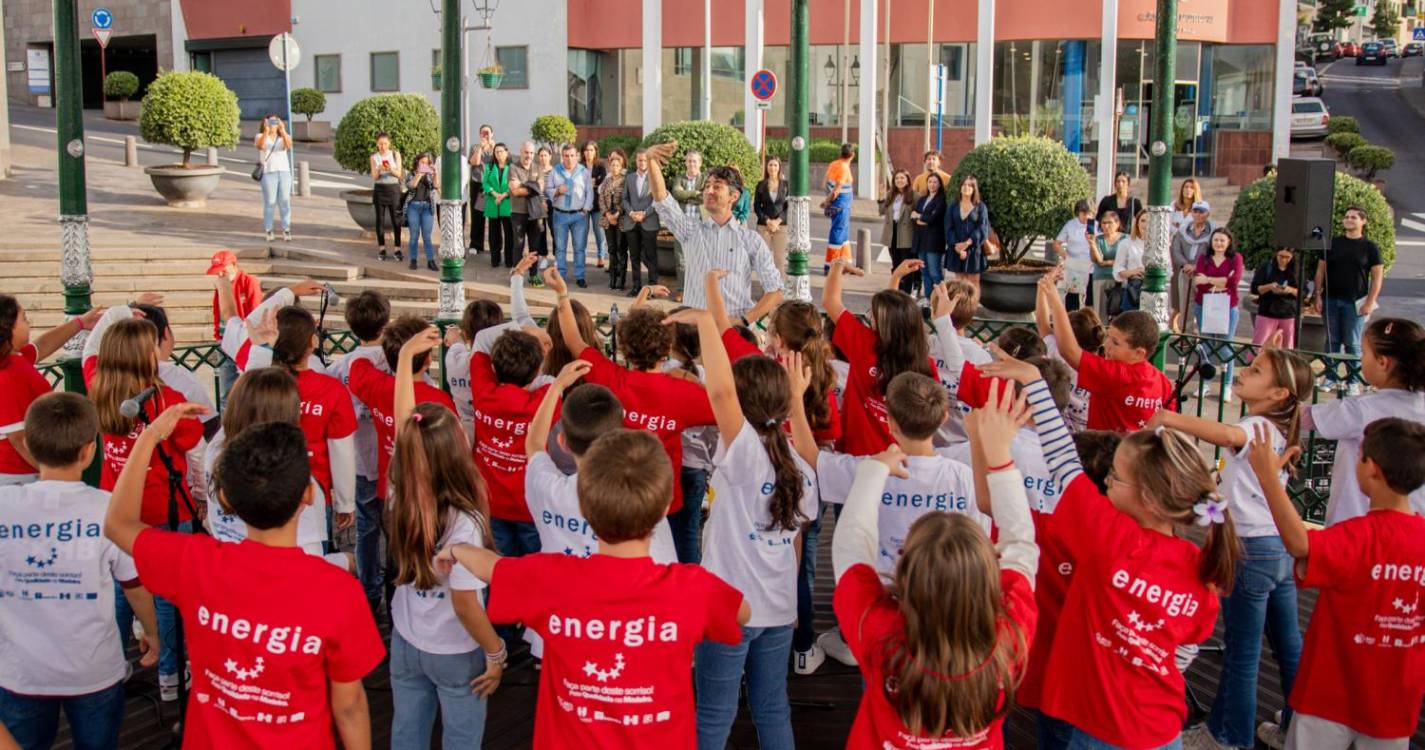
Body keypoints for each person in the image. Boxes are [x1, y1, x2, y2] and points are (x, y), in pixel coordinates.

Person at [982, 355, 1237, 750]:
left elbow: (1065, 463)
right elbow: (1187, 645)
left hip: (1097, 725)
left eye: (1115, 478)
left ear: (1149, 499)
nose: (1109, 484)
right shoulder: (1201, 564)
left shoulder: (1112, 541)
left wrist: (1035, 384)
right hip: (1161, 728)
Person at [439, 429, 751, 748]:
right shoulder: (690, 589)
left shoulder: (550, 579)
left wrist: (456, 550)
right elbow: (742, 612)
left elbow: (490, 566)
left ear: (585, 509)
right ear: (664, 507)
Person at [104, 411, 384, 747]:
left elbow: (117, 524)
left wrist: (149, 436)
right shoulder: (339, 591)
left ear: (225, 499)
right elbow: (350, 706)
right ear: (309, 496)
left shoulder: (195, 562)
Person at [830, 382, 1038, 748]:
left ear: (905, 570)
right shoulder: (1009, 638)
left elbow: (850, 546)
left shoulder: (878, 633)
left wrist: (874, 470)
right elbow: (1021, 542)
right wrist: (1000, 456)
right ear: (987, 574)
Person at [1149, 348, 1313, 750]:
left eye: (1255, 370)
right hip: (1277, 547)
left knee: (1243, 652)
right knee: (1289, 644)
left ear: (1277, 394)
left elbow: (1227, 435)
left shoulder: (1255, 427)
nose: (1242, 371)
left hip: (1250, 549)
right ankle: (1298, 726)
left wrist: (1169, 418)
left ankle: (1229, 734)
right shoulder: (1279, 428)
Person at [670, 309, 815, 750]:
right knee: (772, 708)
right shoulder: (801, 469)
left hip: (727, 609)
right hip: (778, 608)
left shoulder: (746, 453)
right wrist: (798, 399)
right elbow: (797, 540)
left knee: (714, 714)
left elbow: (718, 390)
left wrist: (706, 323)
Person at [1245, 417, 1425, 750]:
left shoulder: (1357, 536)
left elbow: (1301, 546)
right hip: (1397, 696)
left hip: (1328, 693)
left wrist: (1269, 479)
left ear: (1372, 469)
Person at [0, 393, 160, 750]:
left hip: (19, 671)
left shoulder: (4, 505)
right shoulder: (107, 509)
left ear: (27, 443)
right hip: (94, 671)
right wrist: (152, 631)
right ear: (90, 450)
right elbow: (134, 586)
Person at [386, 326, 504, 749]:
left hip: (405, 636)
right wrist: (495, 651)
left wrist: (403, 363)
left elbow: (406, 433)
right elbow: (465, 602)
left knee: (406, 733)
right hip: (455, 648)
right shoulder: (464, 520)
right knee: (461, 737)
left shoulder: (399, 489)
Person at [83, 305, 202, 701]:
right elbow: (189, 439)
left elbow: (90, 352)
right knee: (168, 592)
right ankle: (170, 671)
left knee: (121, 587)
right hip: (165, 510)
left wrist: (115, 312)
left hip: (117, 510)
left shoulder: (97, 385)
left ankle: (112, 667)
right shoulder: (169, 399)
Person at [548, 268, 716, 523]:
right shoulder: (685, 393)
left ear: (625, 347)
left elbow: (573, 340)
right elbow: (728, 403)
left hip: (618, 497)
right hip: (663, 500)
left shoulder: (612, 379)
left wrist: (562, 294)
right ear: (667, 347)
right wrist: (709, 326)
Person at [1301, 318, 1425, 526]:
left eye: (1364, 353)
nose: (1361, 359)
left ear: (1382, 362)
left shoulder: (1361, 409)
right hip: (1414, 529)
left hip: (1356, 525)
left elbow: (1302, 417)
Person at [643, 140, 786, 320]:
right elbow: (662, 199)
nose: (709, 191)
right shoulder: (690, 230)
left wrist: (743, 322)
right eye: (707, 186)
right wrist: (651, 161)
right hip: (694, 332)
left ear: (734, 196)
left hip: (733, 333)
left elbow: (776, 290)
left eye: (717, 186)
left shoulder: (751, 240)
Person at [822, 259, 938, 455]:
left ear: (882, 325)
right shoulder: (925, 365)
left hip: (856, 455)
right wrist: (895, 278)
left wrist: (837, 268)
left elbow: (830, 301)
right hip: (902, 459)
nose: (871, 318)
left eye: (873, 316)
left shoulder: (863, 343)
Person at [1040, 267, 1174, 431]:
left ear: (1139, 353)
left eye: (1116, 343)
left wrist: (1054, 299)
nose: (1106, 345)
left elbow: (1069, 351)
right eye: (1108, 337)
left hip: (1106, 451)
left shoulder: (1116, 374)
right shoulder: (1163, 382)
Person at [325, 289, 391, 614]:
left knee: (366, 529)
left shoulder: (341, 367)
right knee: (395, 529)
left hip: (359, 461)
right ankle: (395, 588)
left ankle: (369, 590)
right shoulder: (396, 360)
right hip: (391, 460)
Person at [346, 316, 459, 504]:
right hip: (428, 492)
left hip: (390, 488)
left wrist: (396, 352)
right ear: (428, 359)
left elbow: (359, 362)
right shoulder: (440, 401)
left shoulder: (376, 385)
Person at [0, 295, 101, 485]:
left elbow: (42, 346)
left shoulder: (15, 359)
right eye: (23, 318)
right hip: (19, 477)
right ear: (7, 329)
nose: (28, 323)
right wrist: (54, 475)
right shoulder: (8, 374)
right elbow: (18, 438)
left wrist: (80, 323)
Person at [1311, 206, 1384, 394]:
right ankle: (1330, 377)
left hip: (1355, 302)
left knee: (1353, 343)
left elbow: (1377, 277)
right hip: (1330, 300)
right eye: (1346, 217)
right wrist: (1317, 295)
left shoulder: (1370, 247)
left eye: (1353, 217)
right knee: (1332, 341)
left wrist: (1370, 301)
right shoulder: (1333, 243)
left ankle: (1353, 381)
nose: (1349, 220)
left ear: (1363, 222)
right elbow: (1320, 270)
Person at [1193, 227, 1247, 398]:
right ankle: (1205, 383)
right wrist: (1222, 280)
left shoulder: (1235, 259)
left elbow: (1234, 281)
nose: (1218, 243)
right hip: (1204, 304)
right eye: (1216, 240)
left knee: (1225, 346)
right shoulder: (1204, 258)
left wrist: (1209, 279)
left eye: (1222, 240)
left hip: (1228, 306)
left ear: (1229, 242)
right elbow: (1199, 283)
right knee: (1207, 345)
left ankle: (1226, 385)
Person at [206, 249, 262, 404]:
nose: (220, 274)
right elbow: (217, 310)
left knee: (248, 389)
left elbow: (255, 311)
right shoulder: (222, 284)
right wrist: (218, 335)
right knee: (226, 393)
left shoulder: (249, 282)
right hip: (225, 341)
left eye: (223, 269)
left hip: (243, 339)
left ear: (233, 265)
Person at [545, 144, 595, 289]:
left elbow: (589, 192)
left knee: (580, 248)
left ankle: (580, 276)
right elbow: (548, 189)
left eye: (572, 155)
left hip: (579, 215)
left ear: (577, 156)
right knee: (560, 248)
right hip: (560, 215)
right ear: (562, 156)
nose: (569, 159)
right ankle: (561, 277)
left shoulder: (583, 172)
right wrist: (557, 191)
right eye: (566, 156)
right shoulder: (556, 171)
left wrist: (586, 209)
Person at [620, 148, 661, 294]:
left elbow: (658, 199)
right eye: (639, 160)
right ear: (636, 161)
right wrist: (631, 213)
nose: (642, 162)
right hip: (632, 222)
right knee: (635, 256)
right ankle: (636, 286)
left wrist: (644, 213)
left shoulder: (655, 177)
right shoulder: (629, 178)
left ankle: (652, 287)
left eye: (644, 160)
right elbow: (624, 198)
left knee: (651, 256)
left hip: (648, 221)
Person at [1171, 200, 1216, 332]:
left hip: (1204, 274)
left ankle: (1204, 338)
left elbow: (1212, 253)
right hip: (1185, 273)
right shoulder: (1183, 230)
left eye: (1201, 211)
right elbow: (1176, 250)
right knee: (1185, 306)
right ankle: (1186, 338)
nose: (1198, 214)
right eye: (1195, 211)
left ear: (1207, 214)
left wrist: (1197, 266)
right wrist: (1186, 265)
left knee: (1205, 306)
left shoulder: (1213, 232)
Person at [945, 175, 991, 290]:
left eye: (970, 185)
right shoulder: (953, 206)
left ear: (974, 189)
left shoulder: (981, 207)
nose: (966, 187)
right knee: (959, 282)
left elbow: (983, 229)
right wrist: (957, 246)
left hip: (974, 250)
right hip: (957, 249)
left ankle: (972, 307)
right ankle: (962, 307)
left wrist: (968, 243)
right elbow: (948, 228)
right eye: (964, 185)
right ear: (960, 188)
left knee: (973, 282)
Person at [670, 150, 706, 290]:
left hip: (700, 224)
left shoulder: (705, 178)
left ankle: (698, 290)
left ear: (700, 163)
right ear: (685, 162)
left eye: (694, 161)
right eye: (689, 161)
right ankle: (683, 290)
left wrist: (685, 197)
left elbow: (704, 197)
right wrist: (694, 194)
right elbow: (676, 193)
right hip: (681, 224)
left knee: (699, 259)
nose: (692, 164)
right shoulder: (679, 178)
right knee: (681, 259)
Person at [1251, 247, 1301, 350]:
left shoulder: (1296, 271)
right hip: (1267, 311)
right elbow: (1255, 288)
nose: (1283, 260)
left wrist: (1290, 290)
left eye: (1287, 257)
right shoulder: (1267, 267)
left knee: (1286, 347)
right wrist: (1269, 287)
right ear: (1276, 255)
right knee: (1259, 345)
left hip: (1288, 313)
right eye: (1281, 256)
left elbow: (1303, 293)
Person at [1051, 200, 1095, 310]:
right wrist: (1065, 255)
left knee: (1089, 299)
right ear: (1078, 213)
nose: (1086, 217)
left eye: (1089, 213)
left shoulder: (1095, 226)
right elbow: (1056, 244)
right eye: (1083, 213)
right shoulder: (1071, 225)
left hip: (1090, 267)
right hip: (1074, 267)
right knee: (1073, 299)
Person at [256, 113, 293, 242]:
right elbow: (260, 146)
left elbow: (289, 145)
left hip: (284, 172)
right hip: (268, 172)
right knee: (269, 203)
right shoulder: (260, 136)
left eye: (275, 122)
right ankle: (269, 230)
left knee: (284, 201)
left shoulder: (283, 136)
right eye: (270, 122)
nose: (273, 125)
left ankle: (286, 229)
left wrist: (283, 130)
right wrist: (266, 132)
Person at [880, 169, 918, 296]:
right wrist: (881, 198)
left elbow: (919, 212)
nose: (899, 181)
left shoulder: (914, 195)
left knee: (906, 262)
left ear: (907, 180)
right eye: (897, 178)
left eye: (902, 178)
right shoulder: (891, 194)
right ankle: (896, 289)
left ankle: (906, 292)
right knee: (895, 263)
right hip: (892, 232)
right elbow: (882, 211)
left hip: (906, 233)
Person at [508, 142, 545, 270]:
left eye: (531, 153)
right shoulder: (513, 167)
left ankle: (534, 275)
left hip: (535, 213)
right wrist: (533, 186)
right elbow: (515, 191)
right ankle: (516, 273)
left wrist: (523, 184)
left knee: (534, 246)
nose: (528, 155)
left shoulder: (538, 168)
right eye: (526, 152)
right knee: (518, 245)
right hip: (518, 212)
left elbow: (540, 188)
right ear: (521, 151)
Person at [911, 173, 948, 296]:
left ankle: (941, 298)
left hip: (934, 241)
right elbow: (913, 217)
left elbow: (934, 218)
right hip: (921, 240)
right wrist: (923, 219)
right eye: (930, 182)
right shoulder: (922, 199)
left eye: (935, 182)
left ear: (939, 184)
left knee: (935, 272)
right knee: (924, 271)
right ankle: (928, 298)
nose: (932, 184)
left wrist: (921, 216)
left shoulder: (942, 200)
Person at [370, 131, 405, 262]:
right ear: (377, 144)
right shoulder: (374, 157)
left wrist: (390, 168)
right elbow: (374, 176)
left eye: (385, 143)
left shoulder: (396, 155)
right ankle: (382, 249)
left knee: (396, 220)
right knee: (380, 220)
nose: (383, 146)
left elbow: (399, 174)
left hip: (393, 190)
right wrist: (379, 169)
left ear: (389, 143)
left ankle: (397, 248)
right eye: (380, 144)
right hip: (380, 190)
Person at [598, 149, 629, 290]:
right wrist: (607, 214)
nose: (615, 168)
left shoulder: (625, 181)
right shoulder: (606, 181)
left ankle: (621, 280)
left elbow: (626, 199)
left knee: (621, 250)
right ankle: (612, 280)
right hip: (607, 220)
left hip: (621, 219)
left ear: (621, 167)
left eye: (617, 165)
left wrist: (617, 213)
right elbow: (601, 199)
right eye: (612, 165)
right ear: (609, 167)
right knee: (611, 249)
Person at [404, 152, 440, 272]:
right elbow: (411, 186)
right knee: (414, 235)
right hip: (413, 207)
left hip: (427, 207)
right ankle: (413, 260)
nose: (424, 164)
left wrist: (434, 173)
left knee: (427, 236)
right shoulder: (411, 174)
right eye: (422, 162)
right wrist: (419, 174)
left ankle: (431, 261)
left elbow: (436, 185)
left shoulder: (430, 175)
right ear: (417, 162)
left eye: (427, 163)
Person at [822, 143, 856, 270]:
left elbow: (824, 183)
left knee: (843, 233)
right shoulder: (844, 168)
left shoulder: (834, 164)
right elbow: (837, 190)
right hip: (841, 205)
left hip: (839, 204)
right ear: (852, 155)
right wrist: (828, 201)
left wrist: (828, 200)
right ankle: (832, 265)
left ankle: (845, 263)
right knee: (838, 232)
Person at [481, 143, 516, 269]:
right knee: (494, 234)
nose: (499, 154)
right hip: (493, 203)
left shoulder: (512, 167)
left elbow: (515, 183)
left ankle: (509, 260)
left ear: (506, 153)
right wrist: (495, 194)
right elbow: (485, 183)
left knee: (509, 234)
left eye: (501, 151)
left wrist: (504, 195)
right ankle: (495, 259)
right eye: (496, 152)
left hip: (507, 203)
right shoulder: (489, 167)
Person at [754, 157, 790, 272]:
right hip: (764, 226)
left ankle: (780, 287)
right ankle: (766, 286)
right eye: (770, 165)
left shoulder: (785, 185)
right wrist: (768, 221)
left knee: (780, 259)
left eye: (775, 165)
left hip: (781, 226)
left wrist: (777, 221)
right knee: (764, 258)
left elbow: (789, 206)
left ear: (779, 167)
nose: (772, 168)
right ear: (766, 167)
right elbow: (757, 206)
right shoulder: (761, 185)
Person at [1090, 209, 1127, 319]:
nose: (1106, 226)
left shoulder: (1125, 239)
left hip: (1120, 278)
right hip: (1101, 277)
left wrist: (1108, 262)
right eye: (1103, 223)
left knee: (1118, 312)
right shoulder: (1098, 239)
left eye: (1109, 223)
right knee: (1100, 313)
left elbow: (1125, 260)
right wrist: (1092, 244)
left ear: (1117, 223)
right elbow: (1098, 260)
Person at [467, 124, 496, 256]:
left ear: (492, 134)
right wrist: (480, 147)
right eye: (483, 133)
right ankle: (476, 244)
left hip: (493, 185)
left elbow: (501, 162)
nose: (485, 135)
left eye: (487, 133)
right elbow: (475, 162)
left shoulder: (496, 148)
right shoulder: (475, 147)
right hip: (478, 183)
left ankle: (494, 245)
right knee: (477, 214)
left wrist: (492, 146)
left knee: (493, 216)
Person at [580, 141, 608, 270]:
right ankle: (582, 257)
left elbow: (602, 184)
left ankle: (601, 257)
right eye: (586, 150)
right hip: (583, 205)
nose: (588, 152)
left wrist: (593, 184)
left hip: (597, 205)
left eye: (591, 150)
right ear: (583, 152)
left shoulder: (601, 166)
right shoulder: (579, 167)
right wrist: (592, 183)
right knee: (582, 232)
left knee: (599, 232)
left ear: (595, 151)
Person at [1113, 211, 1148, 313]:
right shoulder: (1126, 243)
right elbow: (1118, 270)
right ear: (1137, 223)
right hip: (1133, 290)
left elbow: (1168, 271)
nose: (1146, 224)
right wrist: (1135, 272)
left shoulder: (1161, 245)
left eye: (1150, 221)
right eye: (1143, 221)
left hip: (1153, 291)